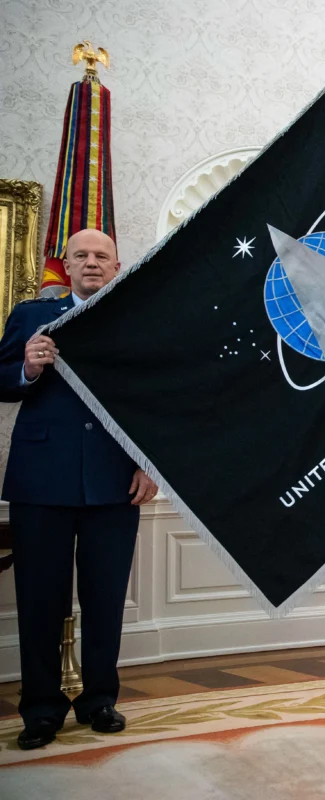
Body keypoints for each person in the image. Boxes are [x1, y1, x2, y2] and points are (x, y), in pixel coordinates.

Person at [0, 229, 157, 750]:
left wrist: (146, 464)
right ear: (64, 266)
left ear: (116, 267)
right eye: (81, 256)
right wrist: (26, 366)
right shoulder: (28, 316)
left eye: (101, 257)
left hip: (114, 482)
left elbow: (154, 400)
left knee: (105, 599)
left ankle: (99, 701)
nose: (91, 264)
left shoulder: (136, 317)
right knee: (39, 600)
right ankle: (41, 710)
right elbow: (0, 380)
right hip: (40, 480)